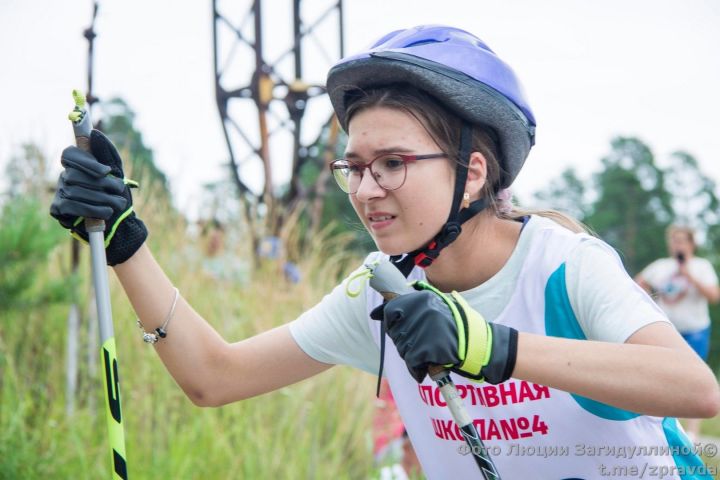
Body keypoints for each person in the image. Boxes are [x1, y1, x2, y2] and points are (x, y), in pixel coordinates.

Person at [50, 25, 720, 478]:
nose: (366, 189)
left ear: (474, 172)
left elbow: (694, 389)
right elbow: (214, 377)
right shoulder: (381, 291)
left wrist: (490, 347)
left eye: (393, 163)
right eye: (354, 167)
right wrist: (127, 240)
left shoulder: (565, 265)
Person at [635, 225, 720, 441]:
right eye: (674, 240)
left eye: (682, 240)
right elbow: (636, 286)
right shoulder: (660, 267)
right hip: (665, 330)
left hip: (695, 330)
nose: (677, 244)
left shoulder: (701, 266)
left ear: (691, 244)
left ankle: (692, 434)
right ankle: (664, 427)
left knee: (695, 379)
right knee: (661, 377)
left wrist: (689, 276)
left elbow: (713, 296)